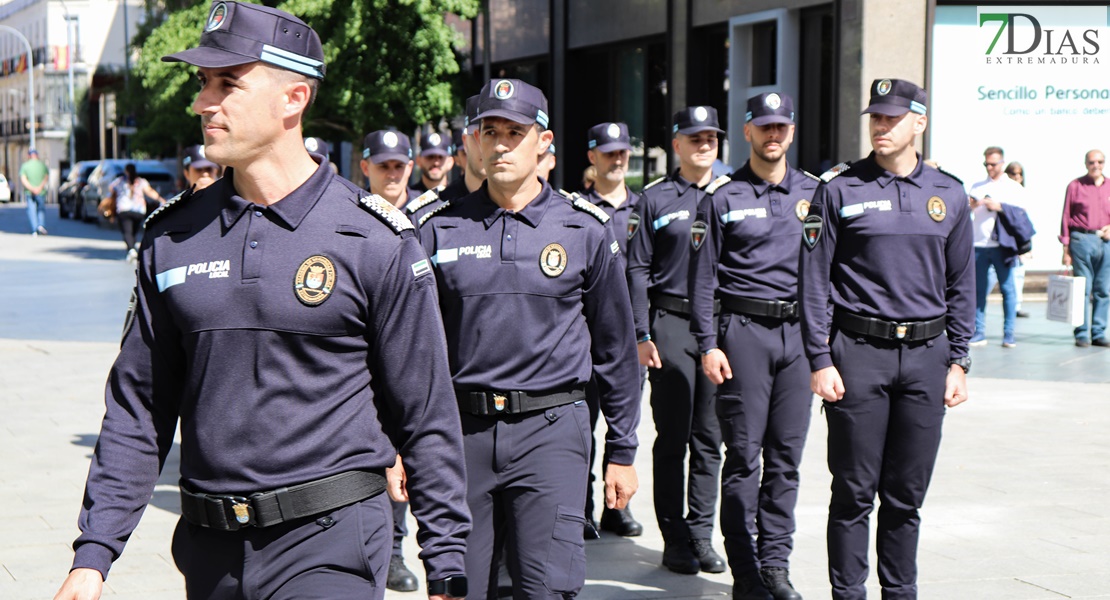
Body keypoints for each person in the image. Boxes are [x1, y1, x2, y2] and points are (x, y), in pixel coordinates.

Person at [52, 4, 470, 600]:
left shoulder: (374, 238)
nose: (203, 102)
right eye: (203, 83)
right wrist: (94, 555)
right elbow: (140, 408)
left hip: (330, 544)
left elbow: (426, 413)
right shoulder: (171, 237)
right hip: (209, 551)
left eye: (228, 83)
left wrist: (446, 562)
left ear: (293, 98)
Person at [418, 78, 640, 599]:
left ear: (543, 141)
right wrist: (402, 445)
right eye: (489, 131)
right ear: (472, 141)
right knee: (460, 587)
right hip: (462, 435)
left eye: (514, 132)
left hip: (552, 431)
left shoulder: (584, 229)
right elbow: (414, 353)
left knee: (546, 588)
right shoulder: (436, 227)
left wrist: (623, 449)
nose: (499, 144)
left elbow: (616, 349)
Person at [799, 78, 974, 600]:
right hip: (859, 356)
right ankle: (848, 594)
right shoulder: (838, 188)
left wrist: (960, 361)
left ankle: (901, 592)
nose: (880, 126)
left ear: (919, 123)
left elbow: (961, 284)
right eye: (875, 117)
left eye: (892, 118)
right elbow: (813, 281)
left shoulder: (949, 193)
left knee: (906, 495)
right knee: (853, 493)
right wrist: (819, 357)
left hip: (927, 357)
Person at [689, 92, 816, 600]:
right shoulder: (722, 196)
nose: (773, 135)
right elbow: (702, 281)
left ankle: (775, 566)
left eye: (781, 126)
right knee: (743, 456)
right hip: (743, 335)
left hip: (799, 339)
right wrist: (707, 344)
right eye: (764, 127)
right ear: (747, 132)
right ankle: (745, 570)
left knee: (786, 458)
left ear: (791, 130)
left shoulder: (814, 193)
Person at [626, 105, 726, 575]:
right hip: (672, 323)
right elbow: (638, 268)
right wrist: (642, 332)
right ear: (677, 145)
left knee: (710, 438)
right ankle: (674, 537)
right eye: (695, 138)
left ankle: (702, 533)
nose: (704, 144)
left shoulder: (734, 194)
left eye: (711, 138)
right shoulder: (656, 199)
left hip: (724, 328)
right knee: (673, 438)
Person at [580, 121, 644, 539]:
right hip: (583, 339)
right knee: (580, 428)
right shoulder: (576, 210)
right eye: (609, 152)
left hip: (627, 340)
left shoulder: (643, 208)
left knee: (624, 423)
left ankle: (616, 508)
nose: (617, 158)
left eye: (623, 152)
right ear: (593, 157)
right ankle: (579, 507)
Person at [968, 146, 1026, 348]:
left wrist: (998, 206)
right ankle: (978, 332)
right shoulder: (976, 186)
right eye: (986, 164)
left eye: (993, 164)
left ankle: (1009, 334)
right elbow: (966, 211)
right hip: (979, 244)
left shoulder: (1013, 187)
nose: (989, 168)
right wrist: (973, 204)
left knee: (1008, 289)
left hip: (1003, 245)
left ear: (1002, 163)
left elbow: (1021, 215)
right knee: (978, 291)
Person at [407, 96, 486, 227]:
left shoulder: (522, 204)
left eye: (513, 133)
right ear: (466, 142)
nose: (491, 146)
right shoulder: (427, 212)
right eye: (486, 134)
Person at [1060, 149, 1110, 347]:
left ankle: (1098, 331)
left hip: (1105, 242)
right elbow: (1065, 215)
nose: (1095, 165)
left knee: (1104, 289)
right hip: (1082, 240)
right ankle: (1081, 332)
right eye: (1092, 162)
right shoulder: (1075, 186)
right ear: (1086, 163)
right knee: (1082, 289)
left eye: (1099, 161)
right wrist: (1065, 247)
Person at [108, 163, 165, 262]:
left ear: (126, 171)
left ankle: (131, 250)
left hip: (123, 210)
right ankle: (132, 249)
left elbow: (110, 189)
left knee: (127, 232)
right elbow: (150, 192)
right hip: (138, 211)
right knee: (133, 232)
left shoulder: (120, 181)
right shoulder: (141, 182)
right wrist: (161, 200)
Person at [360, 129, 419, 208]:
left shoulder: (429, 214)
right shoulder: (351, 215)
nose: (392, 175)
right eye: (383, 166)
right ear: (365, 168)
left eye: (399, 166)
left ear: (410, 168)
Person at [1004, 161, 1030, 317]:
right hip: (1004, 240)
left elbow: (1026, 220)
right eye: (1013, 173)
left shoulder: (1022, 192)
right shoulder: (1003, 191)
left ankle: (1016, 305)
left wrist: (1026, 244)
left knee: (1019, 274)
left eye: (1020, 174)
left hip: (1019, 239)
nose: (1017, 177)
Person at [20, 148, 49, 236]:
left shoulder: (25, 165)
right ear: (37, 155)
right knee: (41, 209)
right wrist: (39, 188)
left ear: (29, 156)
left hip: (30, 192)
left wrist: (32, 188)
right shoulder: (42, 165)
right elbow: (46, 177)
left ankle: (34, 229)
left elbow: (23, 179)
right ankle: (41, 225)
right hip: (41, 191)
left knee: (32, 210)